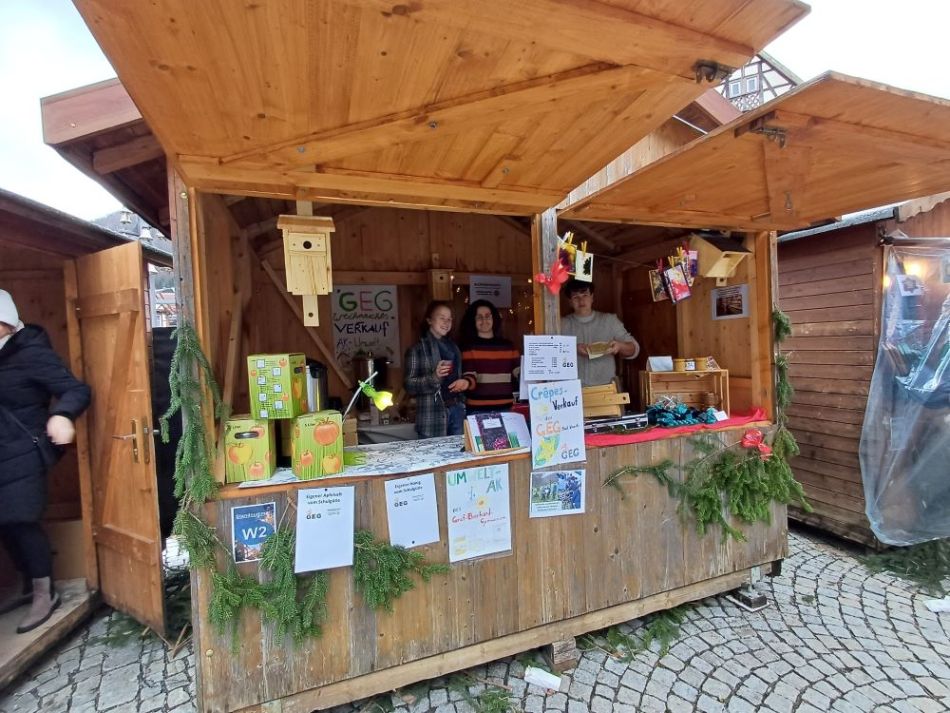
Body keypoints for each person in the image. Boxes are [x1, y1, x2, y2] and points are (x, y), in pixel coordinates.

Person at [0, 289, 91, 633]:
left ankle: (44, 591)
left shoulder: (30, 352)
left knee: (22, 519)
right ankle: (27, 584)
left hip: (24, 450)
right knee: (5, 523)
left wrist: (62, 415)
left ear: (7, 323)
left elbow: (76, 389)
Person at [404, 301, 468, 438]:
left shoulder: (454, 348)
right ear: (429, 320)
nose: (446, 322)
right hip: (431, 416)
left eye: (449, 319)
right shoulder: (417, 350)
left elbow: (458, 376)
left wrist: (462, 383)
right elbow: (409, 386)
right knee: (433, 452)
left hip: (456, 410)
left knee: (458, 451)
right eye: (442, 318)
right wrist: (434, 377)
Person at [560, 279, 639, 387]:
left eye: (585, 295)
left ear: (592, 297)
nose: (581, 301)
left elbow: (634, 349)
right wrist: (573, 348)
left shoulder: (609, 320)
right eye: (575, 297)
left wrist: (619, 346)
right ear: (569, 301)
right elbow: (548, 353)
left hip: (606, 387)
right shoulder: (561, 324)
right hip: (572, 388)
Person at [459, 300, 521, 413]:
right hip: (477, 409)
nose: (484, 320)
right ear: (473, 321)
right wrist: (466, 383)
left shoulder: (508, 346)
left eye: (488, 316)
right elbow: (470, 375)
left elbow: (519, 372)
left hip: (506, 407)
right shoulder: (468, 347)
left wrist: (534, 376)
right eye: (479, 317)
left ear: (494, 319)